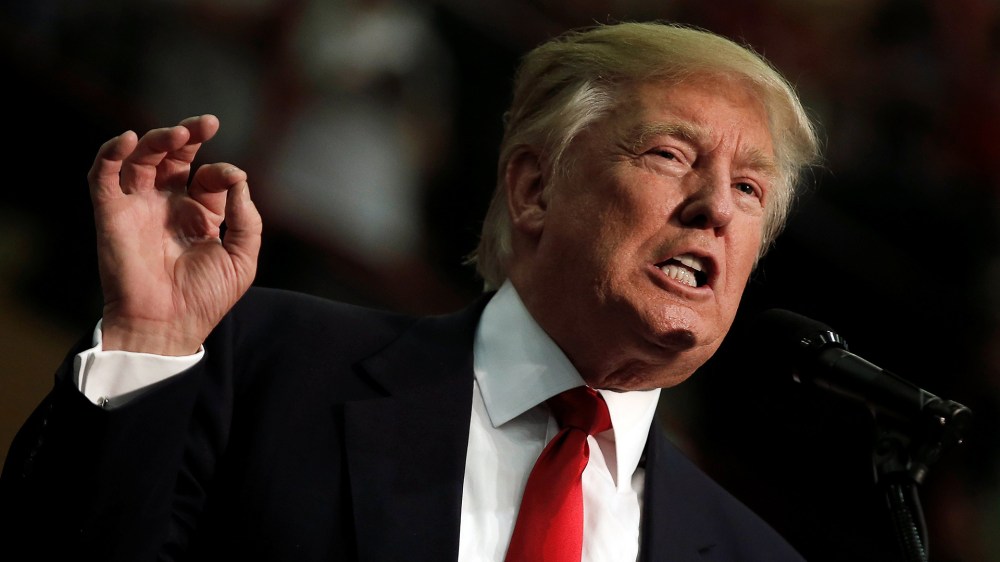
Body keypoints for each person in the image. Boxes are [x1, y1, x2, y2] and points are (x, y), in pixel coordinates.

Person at [0, 20, 819, 561]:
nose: (715, 207)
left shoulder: (752, 553)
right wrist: (146, 342)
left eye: (750, 190)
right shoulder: (265, 365)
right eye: (671, 155)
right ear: (534, 188)